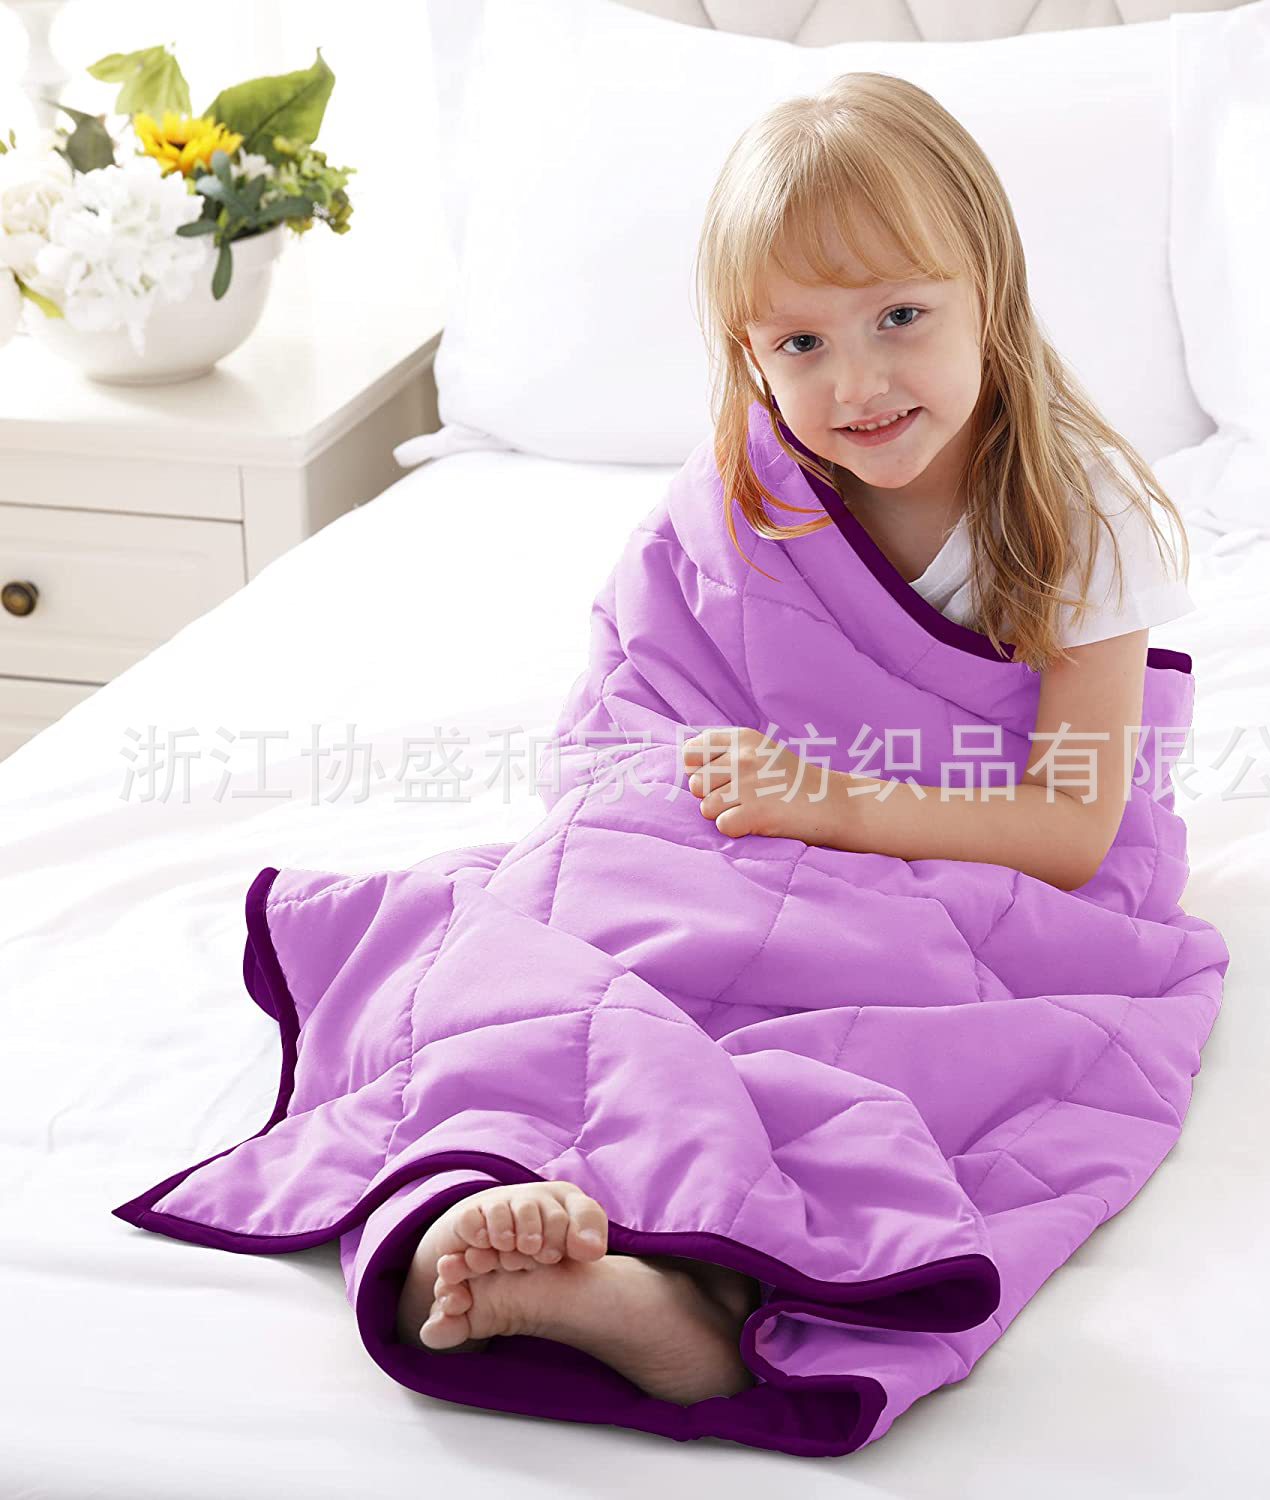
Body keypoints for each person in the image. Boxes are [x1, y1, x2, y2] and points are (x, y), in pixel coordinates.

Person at [394, 69, 1195, 1406]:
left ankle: (718, 1288)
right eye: (801, 343)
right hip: (765, 826)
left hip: (985, 857)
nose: (858, 382)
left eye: (901, 317)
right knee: (576, 920)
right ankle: (536, 1196)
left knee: (881, 1032)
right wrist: (725, 810)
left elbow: (1070, 830)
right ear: (749, 355)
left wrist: (831, 806)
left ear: (990, 288)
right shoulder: (752, 486)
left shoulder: (1080, 510)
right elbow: (643, 704)